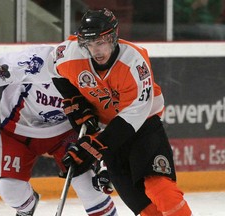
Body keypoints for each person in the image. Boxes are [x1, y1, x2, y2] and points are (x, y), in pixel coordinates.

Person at [0, 45, 118, 216]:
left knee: (90, 189)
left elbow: (109, 120)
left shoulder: (97, 79)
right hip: (18, 130)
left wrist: (105, 164)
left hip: (66, 133)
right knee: (9, 190)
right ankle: (27, 206)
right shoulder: (38, 61)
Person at [49, 8, 193, 216]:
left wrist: (94, 147)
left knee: (160, 189)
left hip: (143, 126)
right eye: (89, 44)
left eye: (100, 43)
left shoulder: (134, 61)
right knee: (141, 205)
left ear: (113, 38)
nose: (96, 51)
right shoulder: (70, 55)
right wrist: (75, 101)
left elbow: (133, 115)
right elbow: (53, 69)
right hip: (107, 132)